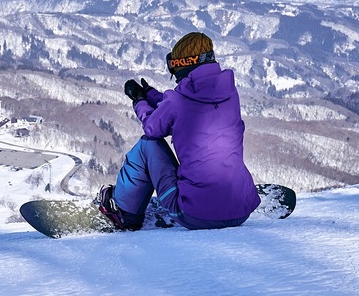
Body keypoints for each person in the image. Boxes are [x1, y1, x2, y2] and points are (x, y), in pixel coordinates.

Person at [96, 32, 260, 230]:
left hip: (195, 214)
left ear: (182, 64)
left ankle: (123, 212)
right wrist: (150, 94)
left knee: (148, 144)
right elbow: (182, 108)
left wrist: (139, 100)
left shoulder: (177, 102)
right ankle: (225, 197)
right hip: (241, 211)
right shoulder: (230, 94)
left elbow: (153, 127)